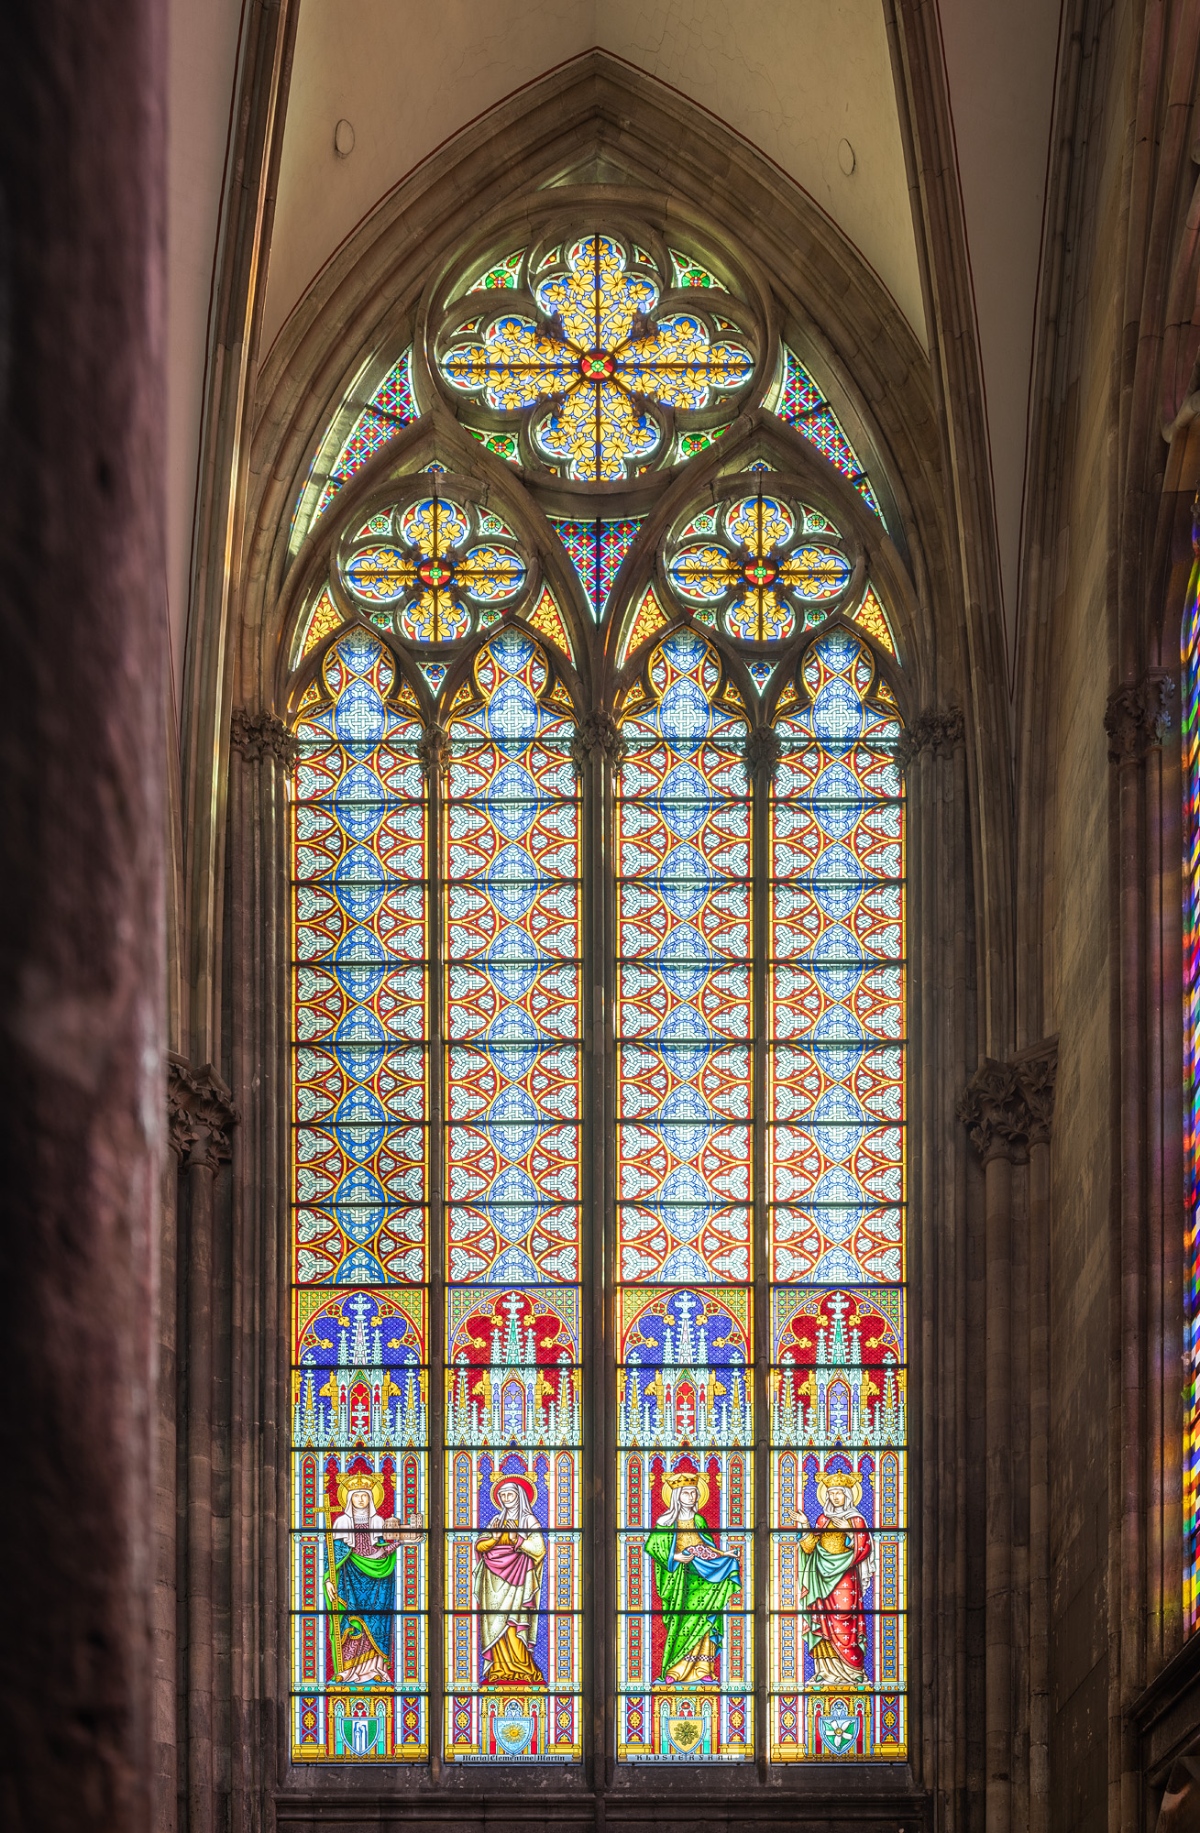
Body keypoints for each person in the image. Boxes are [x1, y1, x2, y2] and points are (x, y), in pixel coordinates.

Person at [645, 1468, 741, 1684]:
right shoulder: (666, 1522)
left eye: (695, 1493)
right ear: (677, 1495)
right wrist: (676, 1557)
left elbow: (706, 1546)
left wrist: (724, 1554)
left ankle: (702, 1670)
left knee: (704, 1622)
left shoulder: (698, 1521)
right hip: (680, 1582)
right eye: (688, 1493)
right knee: (681, 1624)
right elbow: (654, 1546)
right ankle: (674, 1670)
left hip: (702, 1579)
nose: (693, 1496)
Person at [326, 1468, 421, 1686]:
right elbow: (332, 1556)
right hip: (349, 1577)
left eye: (364, 1496)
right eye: (357, 1495)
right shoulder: (341, 1522)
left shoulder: (378, 1520)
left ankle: (376, 1668)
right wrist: (329, 1580)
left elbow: (382, 1548)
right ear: (349, 1498)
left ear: (370, 1498)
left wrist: (402, 1542)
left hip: (378, 1579)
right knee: (351, 1624)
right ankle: (347, 1671)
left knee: (376, 1623)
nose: (361, 1499)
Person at [791, 1468, 873, 1687]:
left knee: (845, 1619)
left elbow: (864, 1548)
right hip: (819, 1578)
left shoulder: (856, 1520)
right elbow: (809, 1547)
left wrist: (849, 1532)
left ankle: (853, 1670)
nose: (835, 1497)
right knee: (822, 1621)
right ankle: (825, 1671)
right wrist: (804, 1524)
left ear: (847, 1495)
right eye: (832, 1493)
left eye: (839, 1493)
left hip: (845, 1578)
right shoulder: (823, 1519)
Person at [474, 1472, 546, 1686]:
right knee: (495, 1623)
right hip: (492, 1581)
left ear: (519, 1496)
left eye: (509, 1495)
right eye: (502, 1495)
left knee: (513, 1624)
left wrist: (518, 1541)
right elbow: (479, 1546)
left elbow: (539, 1549)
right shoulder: (496, 1520)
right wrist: (494, 1539)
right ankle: (498, 1669)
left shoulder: (529, 1520)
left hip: (519, 1580)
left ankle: (523, 1668)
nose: (506, 1499)